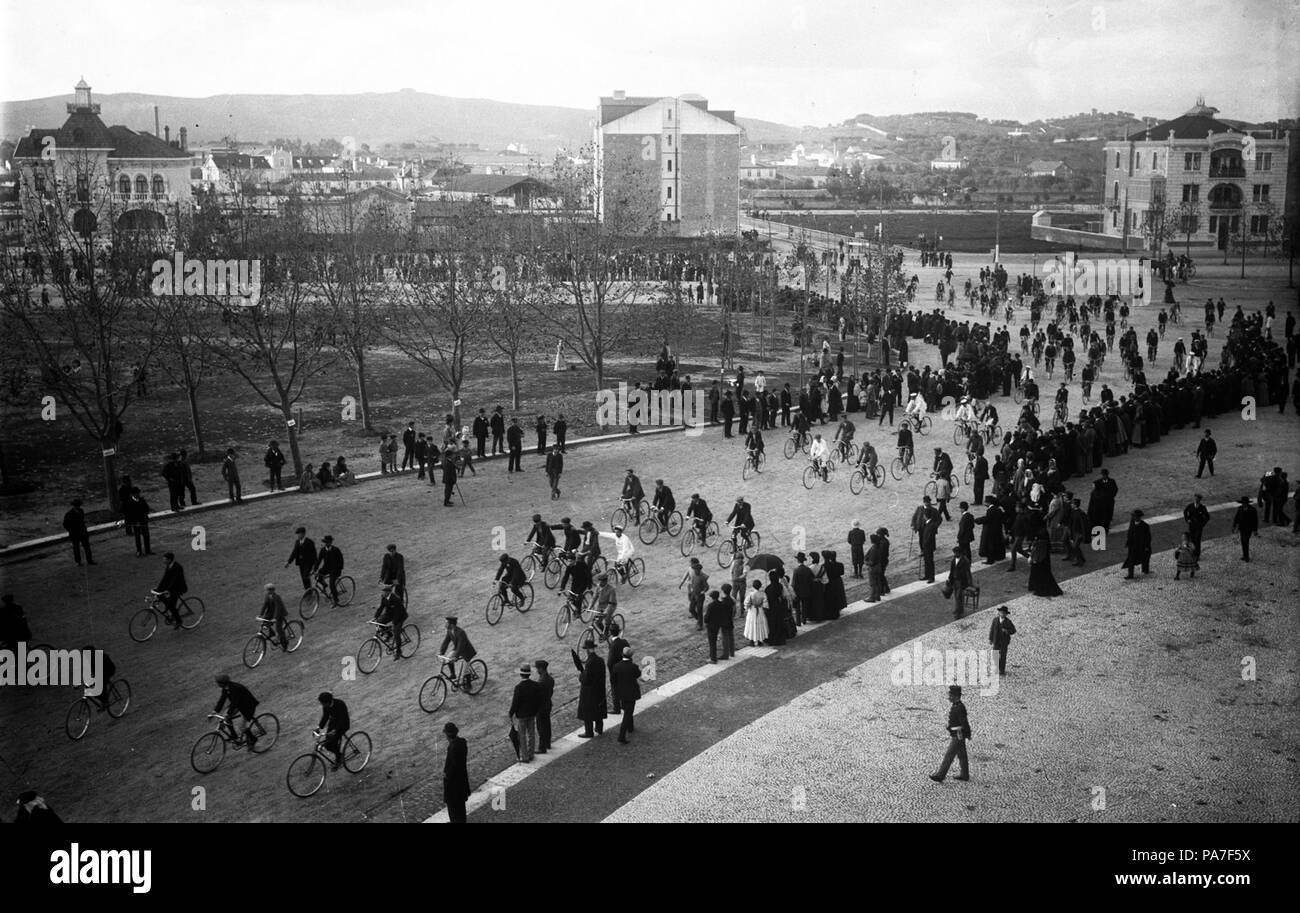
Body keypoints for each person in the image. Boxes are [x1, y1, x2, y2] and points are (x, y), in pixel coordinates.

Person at [929, 685, 971, 783]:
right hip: (957, 734)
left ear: (956, 696)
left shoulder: (959, 708)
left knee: (949, 755)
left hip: (958, 735)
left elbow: (964, 722)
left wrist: (967, 733)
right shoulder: (957, 706)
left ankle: (940, 775)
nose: (949, 697)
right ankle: (964, 774)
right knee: (962, 755)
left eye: (951, 695)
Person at [571, 639, 607, 738]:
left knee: (587, 712)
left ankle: (589, 732)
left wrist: (581, 676)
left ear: (587, 650)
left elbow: (586, 680)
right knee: (598, 709)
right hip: (599, 690)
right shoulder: (600, 660)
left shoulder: (589, 662)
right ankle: (599, 728)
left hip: (589, 691)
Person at [213, 674, 259, 746]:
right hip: (239, 705)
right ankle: (234, 736)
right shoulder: (225, 688)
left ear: (223, 683)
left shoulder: (235, 688)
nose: (217, 684)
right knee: (224, 718)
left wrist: (229, 713)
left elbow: (235, 702)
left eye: (218, 683)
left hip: (248, 706)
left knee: (241, 726)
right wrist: (215, 711)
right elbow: (222, 700)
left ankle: (253, 739)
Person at [509, 665, 543, 762]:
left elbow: (515, 703)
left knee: (522, 735)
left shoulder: (519, 687)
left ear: (521, 674)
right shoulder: (535, 685)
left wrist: (511, 713)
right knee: (531, 734)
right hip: (532, 713)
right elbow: (539, 700)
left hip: (522, 715)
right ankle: (531, 753)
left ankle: (525, 756)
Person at [611, 647, 642, 744]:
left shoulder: (616, 666)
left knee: (627, 710)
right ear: (631, 656)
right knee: (628, 713)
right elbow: (638, 674)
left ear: (622, 654)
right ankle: (621, 736)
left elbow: (613, 680)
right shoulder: (634, 667)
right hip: (631, 693)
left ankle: (630, 727)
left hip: (621, 693)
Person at [442, 722, 470, 823]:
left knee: (454, 814)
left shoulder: (453, 748)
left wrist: (446, 774)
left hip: (453, 789)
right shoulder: (462, 743)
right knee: (461, 812)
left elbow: (453, 768)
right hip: (462, 785)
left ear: (447, 735)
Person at [316, 692, 350, 770]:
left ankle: (339, 758)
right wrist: (319, 727)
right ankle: (339, 755)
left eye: (323, 703)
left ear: (328, 702)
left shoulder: (340, 704)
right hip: (333, 724)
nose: (322, 705)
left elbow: (343, 719)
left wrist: (335, 730)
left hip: (343, 725)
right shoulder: (326, 706)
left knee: (333, 742)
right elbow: (325, 717)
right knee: (328, 744)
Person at [438, 617, 477, 687]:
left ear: (452, 624)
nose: (445, 624)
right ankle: (453, 674)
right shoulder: (449, 631)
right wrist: (441, 652)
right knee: (448, 659)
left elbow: (460, 646)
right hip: (457, 650)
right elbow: (446, 642)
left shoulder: (461, 632)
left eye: (446, 623)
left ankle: (468, 684)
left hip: (467, 652)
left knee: (465, 670)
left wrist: (456, 657)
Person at [373, 584, 408, 658]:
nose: (382, 593)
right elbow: (381, 607)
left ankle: (398, 651)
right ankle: (389, 634)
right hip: (390, 613)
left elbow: (397, 613)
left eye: (383, 591)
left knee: (396, 633)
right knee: (379, 622)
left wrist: (394, 623)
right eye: (382, 591)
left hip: (400, 616)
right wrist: (375, 617)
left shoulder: (395, 599)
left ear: (388, 592)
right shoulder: (384, 597)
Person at [154, 552, 188, 626]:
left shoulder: (178, 567)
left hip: (178, 588)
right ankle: (168, 610)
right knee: (161, 596)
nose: (163, 560)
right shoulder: (169, 565)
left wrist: (167, 590)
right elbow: (165, 578)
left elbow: (175, 580)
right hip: (171, 587)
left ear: (169, 560)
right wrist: (158, 588)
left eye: (165, 559)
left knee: (171, 606)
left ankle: (179, 621)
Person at [1027, 532, 1063, 597]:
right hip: (1039, 542)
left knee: (1040, 567)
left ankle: (1042, 589)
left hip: (1040, 543)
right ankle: (1038, 587)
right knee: (1037, 567)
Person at [312, 535, 344, 604]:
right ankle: (324, 584)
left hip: (335, 569)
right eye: (325, 542)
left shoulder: (336, 550)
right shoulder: (323, 550)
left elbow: (341, 559)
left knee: (331, 584)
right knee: (318, 576)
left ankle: (336, 600)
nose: (326, 544)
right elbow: (319, 561)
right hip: (326, 568)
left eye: (327, 542)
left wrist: (340, 568)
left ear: (330, 542)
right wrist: (314, 570)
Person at [62, 499, 94, 566]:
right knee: (76, 548)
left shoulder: (80, 511)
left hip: (82, 532)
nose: (78, 507)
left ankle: (89, 560)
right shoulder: (69, 514)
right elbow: (65, 524)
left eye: (78, 505)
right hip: (75, 533)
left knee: (86, 547)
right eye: (77, 505)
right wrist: (71, 530)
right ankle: (79, 562)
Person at [1121, 510, 1152, 579]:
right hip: (1133, 546)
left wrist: (1147, 546)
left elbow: (1148, 537)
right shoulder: (1132, 523)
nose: (1134, 518)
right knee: (1131, 560)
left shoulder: (1145, 526)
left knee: (1145, 558)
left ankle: (1145, 570)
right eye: (1133, 516)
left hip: (1141, 546)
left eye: (1135, 516)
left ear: (1139, 517)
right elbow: (1129, 533)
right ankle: (1130, 574)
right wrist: (1128, 542)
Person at [286, 527, 317, 592]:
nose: (298, 535)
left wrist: (315, 565)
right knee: (303, 577)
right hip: (301, 563)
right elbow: (294, 552)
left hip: (308, 563)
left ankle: (309, 591)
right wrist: (288, 562)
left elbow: (314, 554)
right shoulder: (297, 542)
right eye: (297, 534)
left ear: (303, 534)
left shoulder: (309, 542)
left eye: (299, 534)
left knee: (306, 576)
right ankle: (308, 591)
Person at [259, 583, 289, 650]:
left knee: (279, 629)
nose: (266, 591)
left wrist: (275, 618)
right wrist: (260, 614)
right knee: (265, 621)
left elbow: (277, 608)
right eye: (266, 590)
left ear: (272, 590)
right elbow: (265, 605)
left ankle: (284, 644)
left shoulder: (277, 597)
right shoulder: (267, 596)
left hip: (280, 613)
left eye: (268, 590)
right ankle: (271, 634)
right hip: (272, 612)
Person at [988, 606, 1016, 675]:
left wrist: (1006, 631)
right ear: (999, 613)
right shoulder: (995, 620)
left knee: (1003, 656)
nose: (1002, 614)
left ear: (1006, 614)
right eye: (1001, 613)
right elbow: (992, 630)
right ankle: (996, 668)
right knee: (995, 655)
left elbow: (1013, 630)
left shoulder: (1008, 622)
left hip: (1004, 642)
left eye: (1004, 613)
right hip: (996, 640)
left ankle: (1002, 670)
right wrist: (990, 639)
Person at [535, 660, 555, 752]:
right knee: (547, 725)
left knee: (541, 727)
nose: (537, 670)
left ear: (541, 669)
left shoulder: (541, 681)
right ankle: (547, 743)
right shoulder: (550, 679)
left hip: (541, 706)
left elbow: (538, 695)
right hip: (548, 704)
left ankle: (542, 747)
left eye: (537, 668)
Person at [1231, 496, 1259, 561]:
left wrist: (1255, 530)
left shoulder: (1252, 510)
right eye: (1243, 503)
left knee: (1245, 541)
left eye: (1245, 503)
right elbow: (1236, 518)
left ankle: (1246, 556)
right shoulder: (1240, 508)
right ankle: (1245, 555)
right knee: (1243, 542)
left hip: (1249, 528)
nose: (1244, 504)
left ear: (1247, 503)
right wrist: (1234, 526)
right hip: (1242, 528)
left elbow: (1255, 520)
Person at [743, 579, 768, 647]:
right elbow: (765, 604)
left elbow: (746, 603)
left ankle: (752, 641)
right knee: (760, 625)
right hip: (760, 610)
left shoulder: (750, 594)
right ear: (760, 586)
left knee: (752, 625)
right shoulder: (763, 594)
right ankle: (760, 640)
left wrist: (747, 607)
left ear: (753, 586)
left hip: (752, 610)